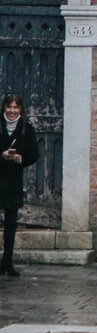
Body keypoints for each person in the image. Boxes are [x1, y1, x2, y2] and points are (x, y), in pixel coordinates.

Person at [0, 95, 38, 279]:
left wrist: (19, 158)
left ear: (21, 109)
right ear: (4, 108)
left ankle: (7, 261)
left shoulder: (26, 129)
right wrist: (2, 154)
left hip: (13, 180)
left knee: (11, 224)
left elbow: (34, 154)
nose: (12, 110)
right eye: (9, 107)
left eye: (16, 107)